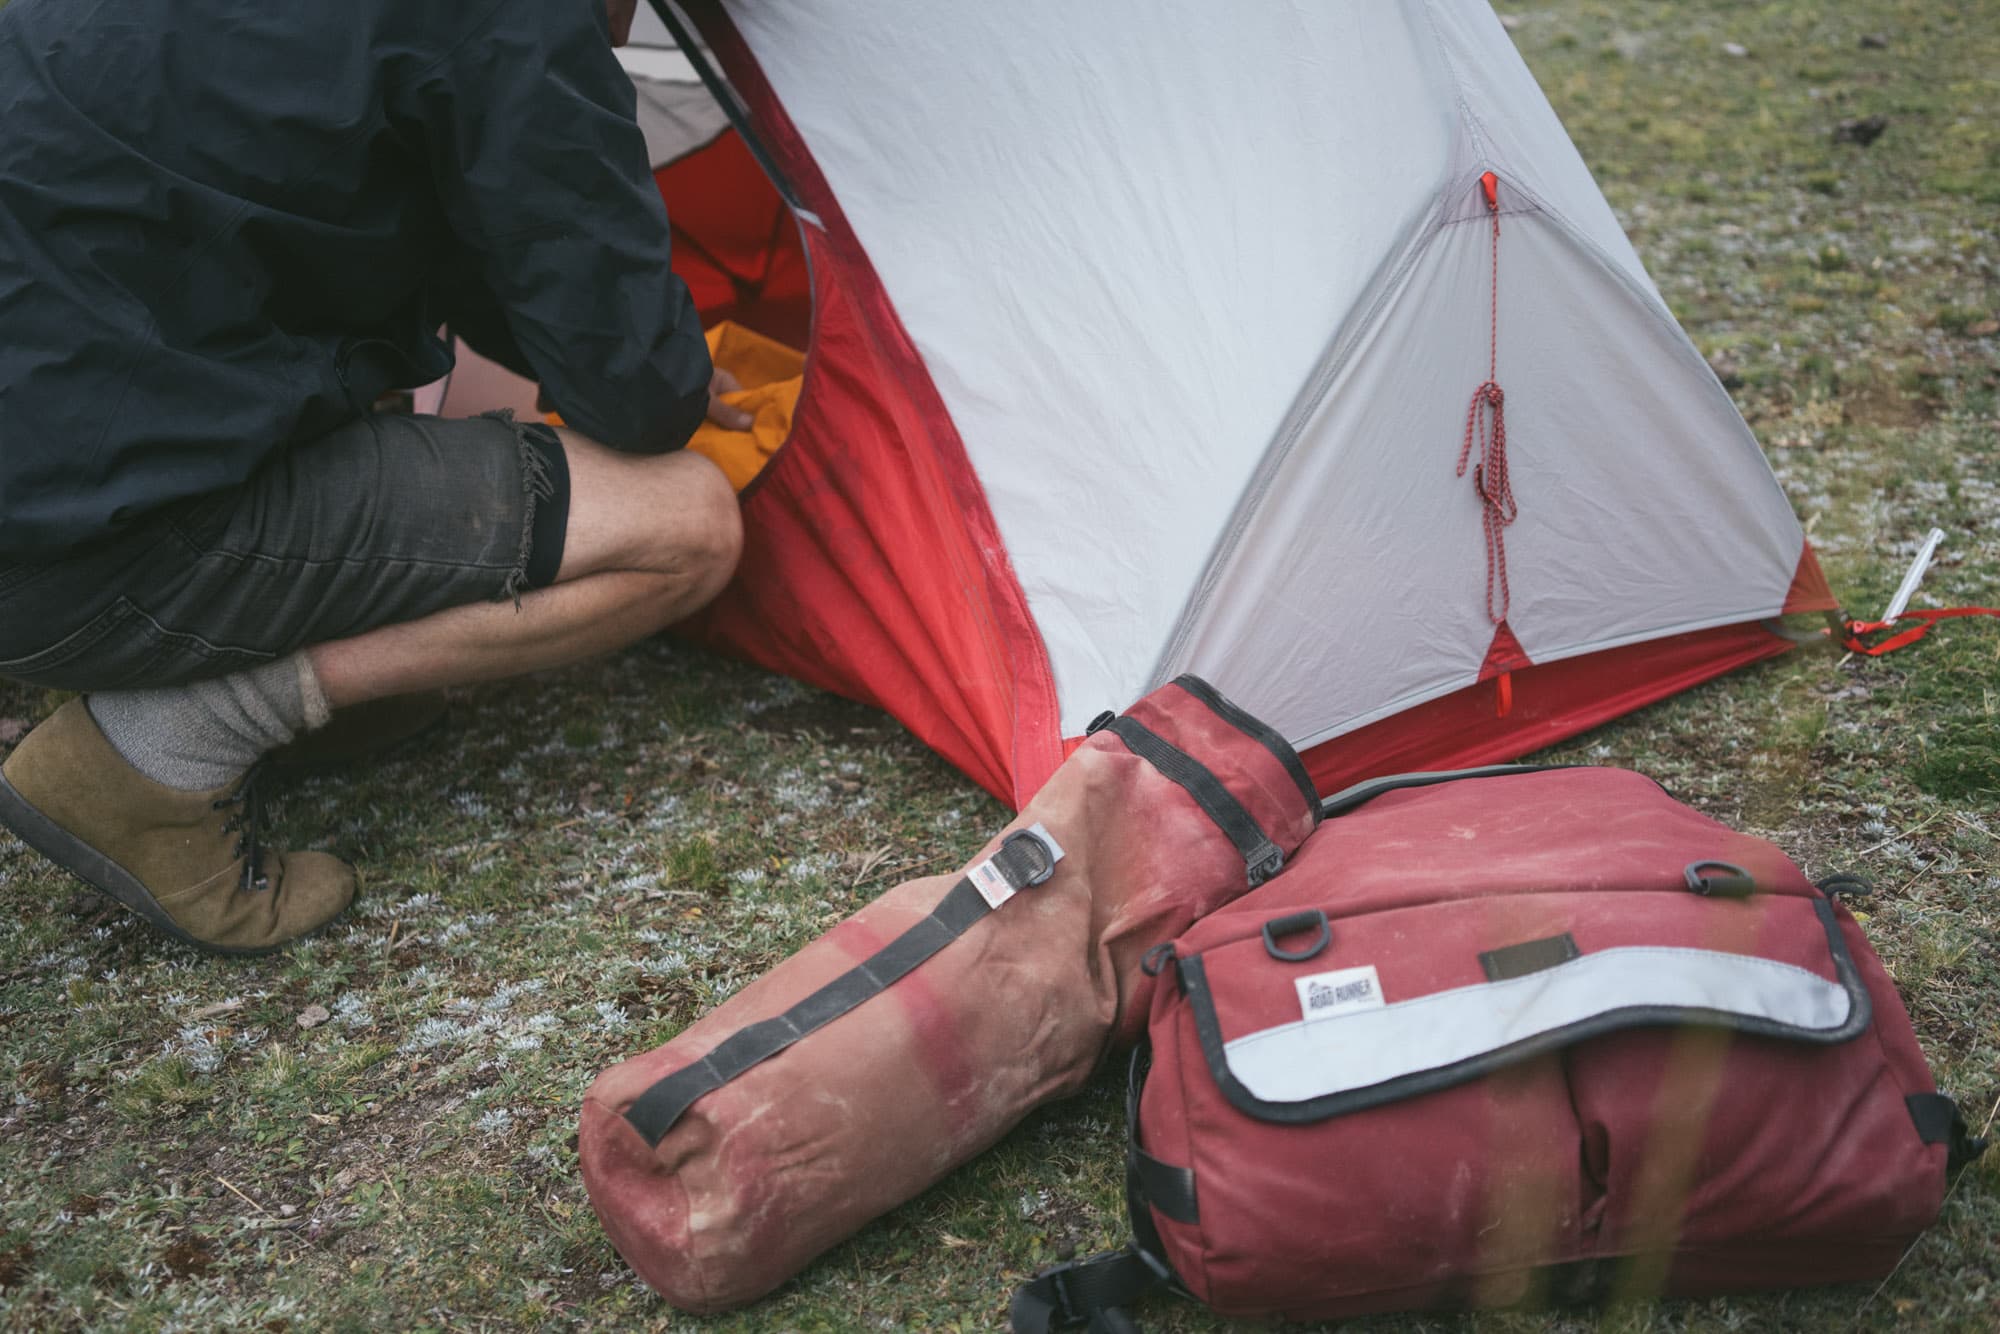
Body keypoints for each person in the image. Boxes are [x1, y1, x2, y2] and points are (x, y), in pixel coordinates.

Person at [0, 0, 749, 954]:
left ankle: (284, 675)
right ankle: (166, 746)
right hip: (68, 555)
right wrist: (660, 355)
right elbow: (640, 397)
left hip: (53, 459)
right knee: (687, 526)